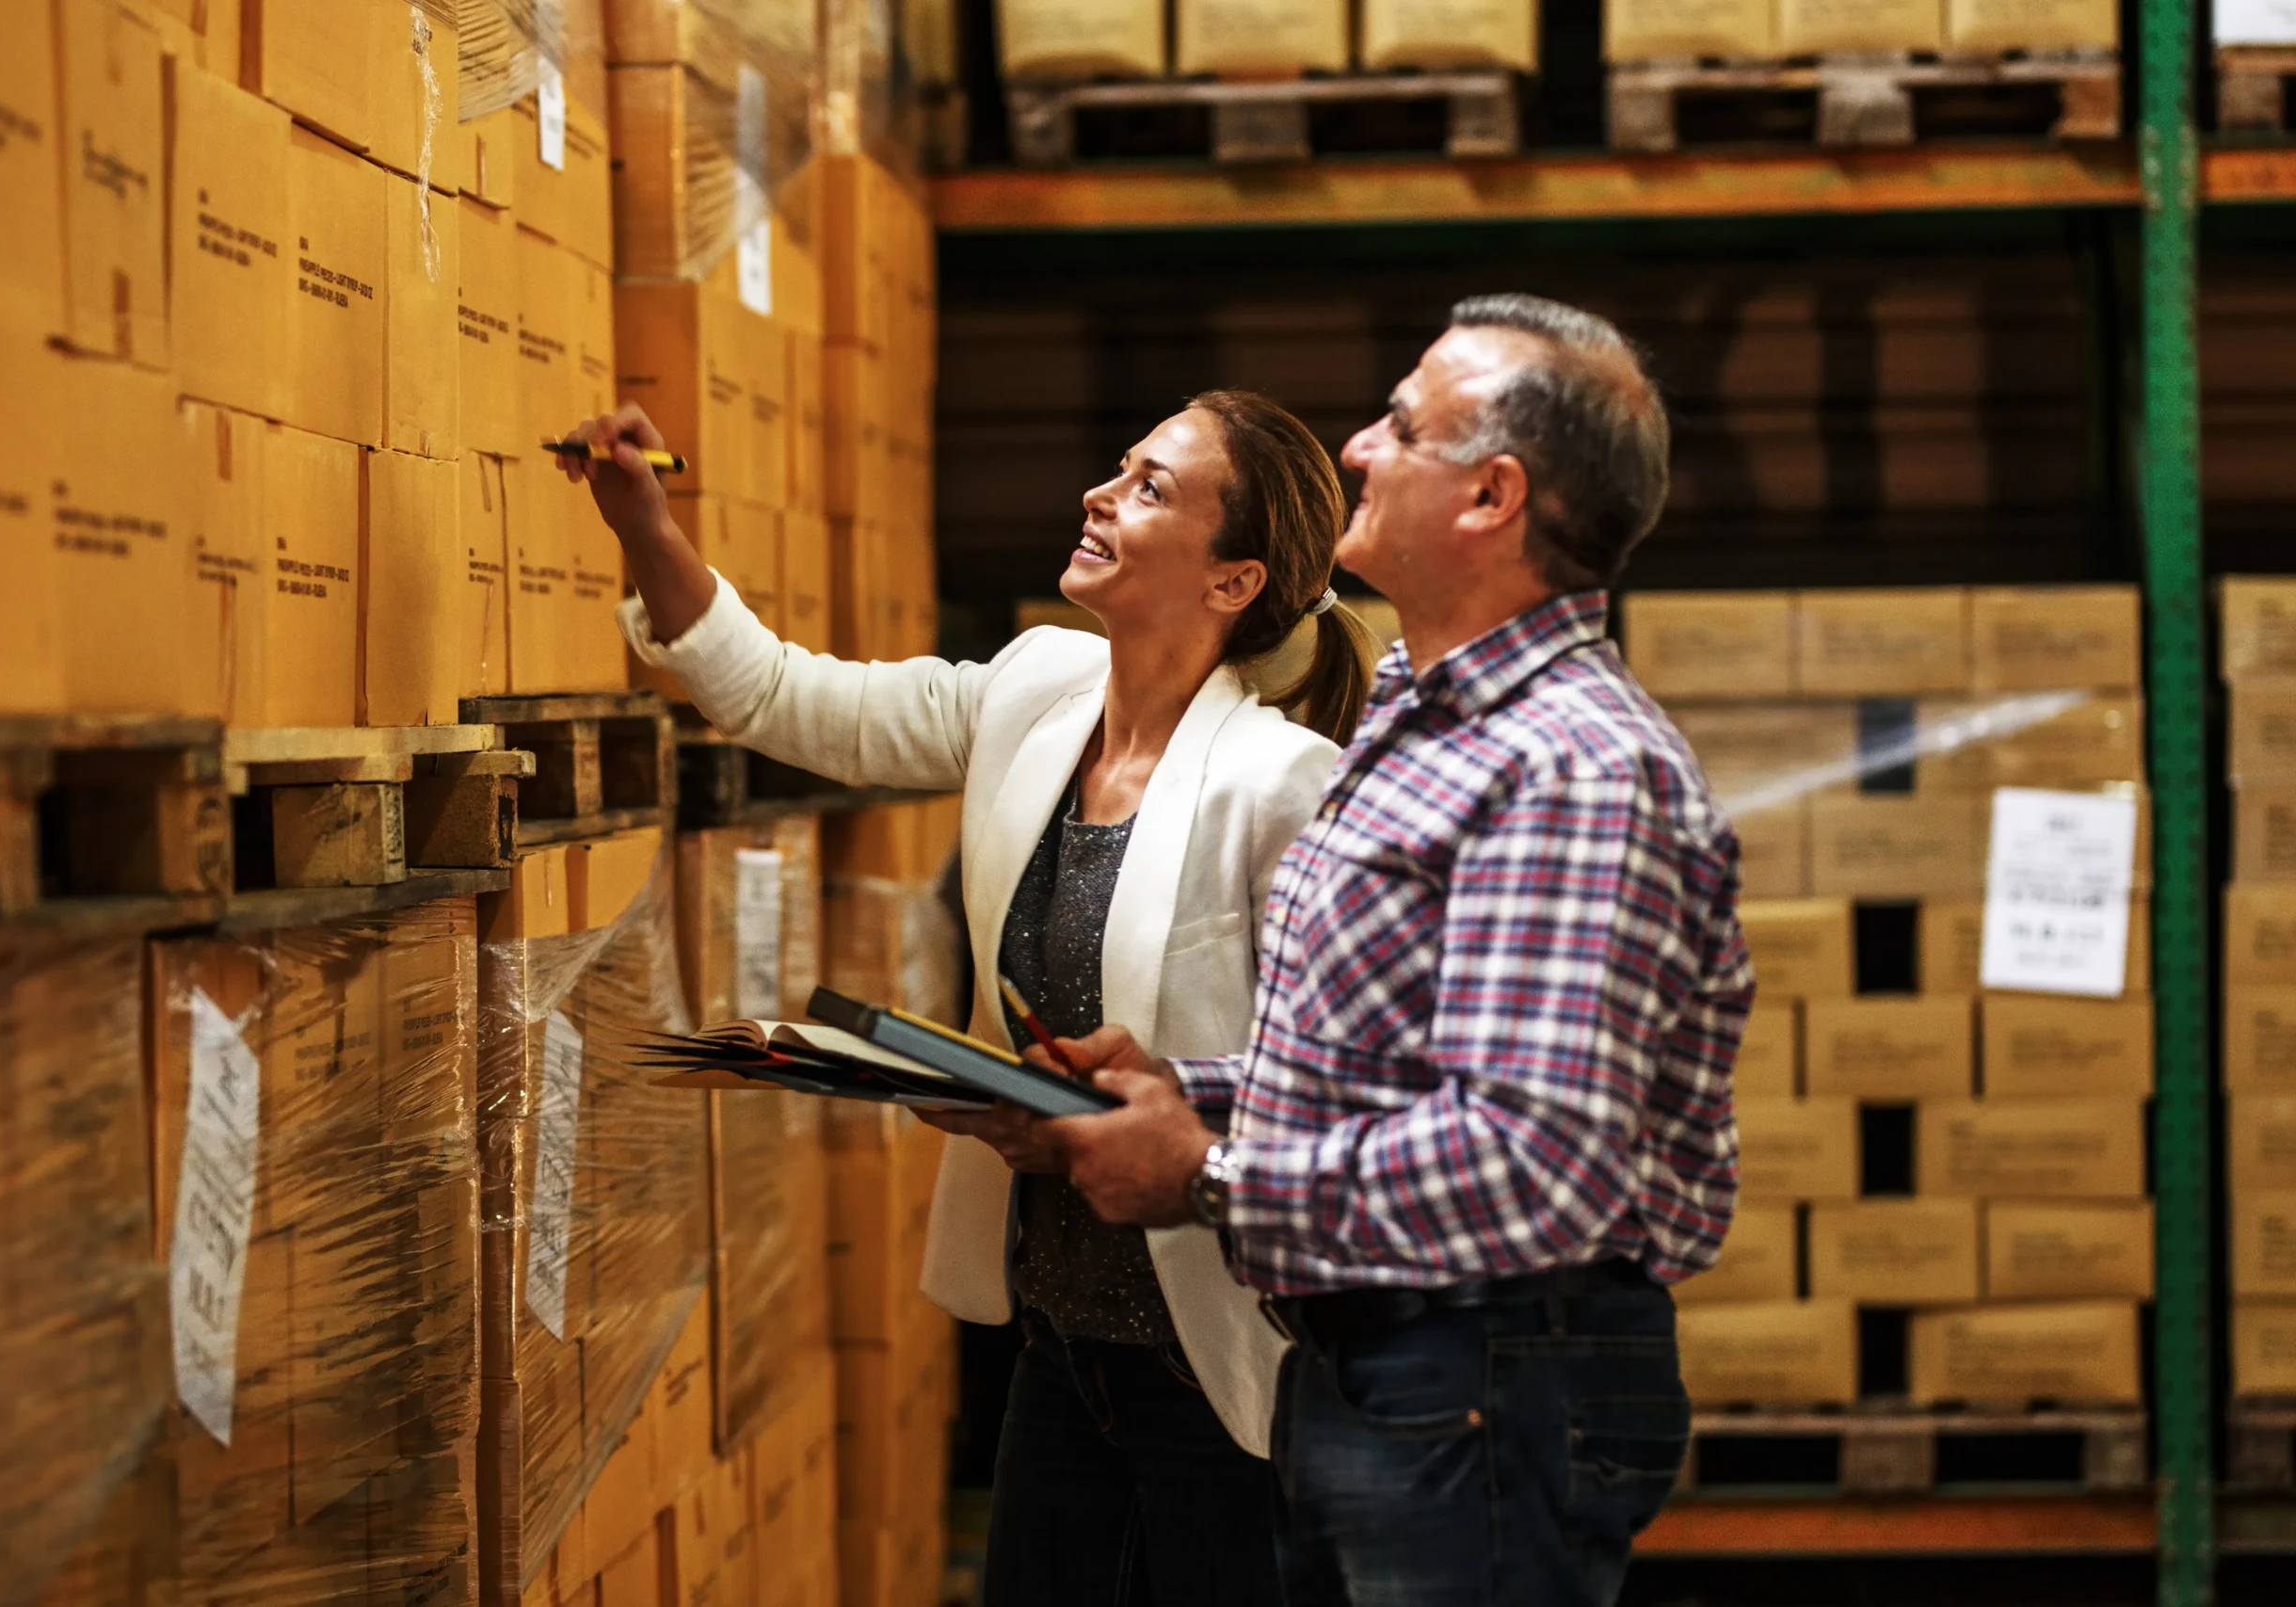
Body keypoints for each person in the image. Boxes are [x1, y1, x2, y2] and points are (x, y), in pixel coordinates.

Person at [560, 391, 1378, 1607]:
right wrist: (644, 524)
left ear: (1231, 580)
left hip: (1222, 1361)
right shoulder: (1037, 690)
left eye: (1151, 486)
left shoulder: (1285, 784)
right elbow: (786, 698)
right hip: (1058, 1341)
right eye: (1119, 464)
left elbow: (1341, 1082)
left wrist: (1122, 1114)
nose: (1102, 492)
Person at [1032, 295, 1752, 1607]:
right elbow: (1396, 1064)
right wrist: (1189, 1090)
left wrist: (1205, 1172)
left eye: (1399, 427)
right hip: (1382, 1359)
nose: (1356, 445)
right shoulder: (1424, 713)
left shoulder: (1572, 769)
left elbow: (1532, 1164)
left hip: (1482, 1376)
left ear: (1490, 497)